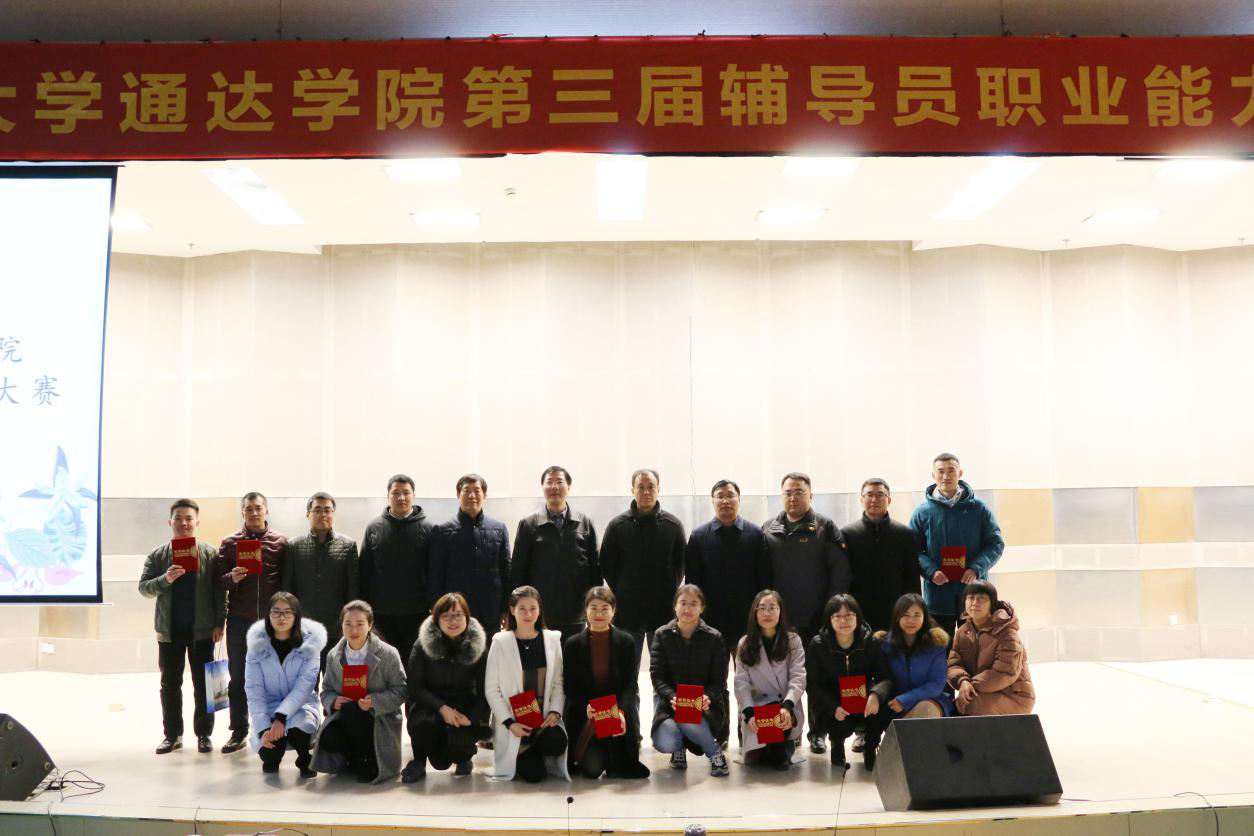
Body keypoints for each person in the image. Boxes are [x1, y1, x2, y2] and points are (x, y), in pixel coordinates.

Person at [762, 472, 850, 754]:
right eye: (788, 492)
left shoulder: (825, 527)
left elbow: (840, 573)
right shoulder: (768, 528)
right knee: (780, 676)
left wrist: (829, 613)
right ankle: (787, 730)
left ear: (811, 495)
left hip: (816, 619)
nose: (793, 497)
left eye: (799, 492)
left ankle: (818, 732)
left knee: (815, 677)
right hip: (779, 621)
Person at [138, 499, 225, 755]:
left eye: (189, 518)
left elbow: (219, 592)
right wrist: (166, 578)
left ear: (197, 522)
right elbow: (144, 588)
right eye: (178, 518)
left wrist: (220, 622)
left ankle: (204, 735)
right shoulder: (158, 555)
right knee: (170, 685)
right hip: (169, 631)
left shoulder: (210, 553)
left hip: (202, 631)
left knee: (205, 685)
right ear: (170, 522)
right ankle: (173, 735)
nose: (184, 523)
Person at [215, 491, 288, 754]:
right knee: (238, 677)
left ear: (266, 510)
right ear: (242, 512)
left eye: (258, 508)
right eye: (248, 509)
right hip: (239, 621)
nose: (254, 513)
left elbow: (287, 582)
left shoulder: (281, 542)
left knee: (274, 677)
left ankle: (273, 729)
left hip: (272, 623)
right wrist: (231, 578)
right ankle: (238, 731)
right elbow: (217, 582)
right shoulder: (229, 543)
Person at [909, 453, 1005, 642]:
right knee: (939, 648)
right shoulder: (922, 511)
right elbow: (912, 549)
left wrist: (975, 568)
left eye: (951, 471)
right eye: (941, 471)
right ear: (933, 475)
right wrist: (930, 571)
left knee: (976, 647)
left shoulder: (979, 508)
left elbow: (995, 543)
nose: (946, 476)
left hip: (974, 595)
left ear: (960, 473)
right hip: (938, 595)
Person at [312, 600, 408, 783]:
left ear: (370, 625)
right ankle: (355, 758)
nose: (353, 630)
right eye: (348, 624)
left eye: (360, 624)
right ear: (341, 625)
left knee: (353, 711)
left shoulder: (388, 653)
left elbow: (401, 689)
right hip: (346, 716)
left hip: (379, 718)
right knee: (329, 737)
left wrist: (375, 701)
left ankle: (368, 760)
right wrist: (334, 701)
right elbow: (326, 690)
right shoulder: (334, 655)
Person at [600, 468, 686, 666]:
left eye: (651, 487)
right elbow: (606, 565)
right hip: (627, 612)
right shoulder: (617, 525)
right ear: (632, 490)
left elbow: (680, 565)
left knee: (664, 669)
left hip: (663, 611)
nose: (646, 491)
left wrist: (668, 589)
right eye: (640, 487)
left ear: (658, 489)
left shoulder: (673, 525)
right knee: (626, 669)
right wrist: (622, 590)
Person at [484, 586, 571, 782]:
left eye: (533, 608)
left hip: (543, 718)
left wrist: (555, 712)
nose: (528, 614)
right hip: (515, 722)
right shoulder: (500, 642)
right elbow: (491, 689)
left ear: (539, 610)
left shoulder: (552, 640)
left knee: (557, 742)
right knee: (534, 775)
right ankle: (524, 751)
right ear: (512, 610)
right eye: (522, 609)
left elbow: (559, 682)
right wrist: (509, 723)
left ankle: (538, 747)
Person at [563, 586, 650, 779]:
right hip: (588, 718)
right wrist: (586, 707)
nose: (599, 614)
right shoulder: (573, 644)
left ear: (613, 610)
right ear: (585, 610)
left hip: (617, 718)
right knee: (591, 770)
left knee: (620, 767)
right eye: (593, 608)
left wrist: (620, 711)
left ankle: (615, 757)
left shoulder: (626, 641)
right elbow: (570, 686)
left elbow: (630, 684)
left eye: (605, 608)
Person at [401, 592, 489, 782]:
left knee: (454, 751)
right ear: (436, 619)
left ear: (467, 617)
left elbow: (486, 691)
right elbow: (415, 687)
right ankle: (418, 761)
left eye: (458, 615)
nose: (453, 621)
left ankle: (463, 758)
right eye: (446, 616)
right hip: (429, 707)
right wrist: (442, 707)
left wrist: (471, 718)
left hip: (463, 707)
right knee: (425, 726)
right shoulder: (422, 644)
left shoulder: (478, 646)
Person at [863, 593, 953, 771]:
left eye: (917, 615)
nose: (911, 620)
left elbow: (936, 684)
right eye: (906, 615)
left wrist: (905, 700)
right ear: (897, 616)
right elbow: (878, 677)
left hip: (929, 699)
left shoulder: (936, 645)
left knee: (925, 710)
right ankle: (878, 749)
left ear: (924, 617)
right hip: (892, 701)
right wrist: (876, 695)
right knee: (875, 705)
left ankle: (913, 757)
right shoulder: (884, 644)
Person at [510, 466, 601, 641]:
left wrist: (595, 605)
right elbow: (518, 569)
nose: (554, 487)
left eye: (559, 482)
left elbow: (595, 568)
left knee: (573, 655)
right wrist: (515, 608)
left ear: (569, 486)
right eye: (549, 482)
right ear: (542, 487)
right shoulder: (528, 524)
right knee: (543, 657)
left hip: (576, 611)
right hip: (538, 611)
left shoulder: (584, 522)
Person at [649, 584, 731, 777]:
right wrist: (672, 697)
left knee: (688, 717)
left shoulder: (714, 637)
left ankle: (714, 753)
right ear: (675, 606)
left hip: (705, 707)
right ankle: (679, 748)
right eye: (683, 603)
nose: (687, 608)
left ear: (702, 608)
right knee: (664, 740)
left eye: (693, 604)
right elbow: (657, 676)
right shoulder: (662, 634)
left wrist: (707, 697)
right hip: (671, 705)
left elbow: (719, 680)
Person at [244, 592, 327, 776]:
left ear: (296, 615)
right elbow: (254, 690)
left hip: (301, 705)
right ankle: (274, 755)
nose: (282, 617)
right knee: (269, 753)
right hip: (270, 705)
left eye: (288, 612)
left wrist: (281, 718)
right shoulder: (256, 646)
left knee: (299, 733)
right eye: (276, 612)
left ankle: (304, 756)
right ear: (268, 615)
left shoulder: (310, 644)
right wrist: (264, 729)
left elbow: (304, 687)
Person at [805, 594, 892, 769]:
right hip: (834, 702)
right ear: (829, 619)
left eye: (849, 615)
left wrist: (875, 695)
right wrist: (833, 707)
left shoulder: (871, 642)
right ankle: (836, 743)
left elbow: (886, 677)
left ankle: (870, 747)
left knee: (883, 706)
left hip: (864, 699)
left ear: (858, 617)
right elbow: (812, 684)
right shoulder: (818, 645)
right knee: (830, 715)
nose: (843, 621)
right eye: (837, 616)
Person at [685, 479, 770, 655]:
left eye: (731, 495)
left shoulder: (755, 534)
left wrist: (762, 613)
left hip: (747, 619)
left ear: (739, 499)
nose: (725, 501)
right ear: (712, 500)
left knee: (748, 668)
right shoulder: (698, 536)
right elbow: (692, 582)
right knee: (713, 670)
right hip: (711, 620)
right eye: (720, 496)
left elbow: (764, 579)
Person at [281, 491, 358, 671]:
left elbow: (353, 590)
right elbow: (287, 590)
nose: (323, 514)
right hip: (304, 630)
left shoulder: (348, 546)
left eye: (327, 510)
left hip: (337, 628)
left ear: (333, 513)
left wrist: (351, 624)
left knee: (337, 681)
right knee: (305, 682)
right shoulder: (294, 546)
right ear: (308, 514)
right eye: (317, 510)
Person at [359, 474, 433, 659]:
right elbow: (364, 570)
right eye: (396, 493)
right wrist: (363, 607)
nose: (401, 497)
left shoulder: (428, 528)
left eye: (406, 493)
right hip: (380, 612)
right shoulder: (374, 527)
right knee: (382, 661)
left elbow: (434, 571)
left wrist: (433, 605)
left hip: (417, 612)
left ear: (413, 495)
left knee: (413, 661)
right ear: (388, 496)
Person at [427, 474, 511, 633]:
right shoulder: (442, 530)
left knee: (489, 648)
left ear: (484, 495)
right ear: (458, 494)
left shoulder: (499, 528)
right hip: (455, 611)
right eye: (466, 491)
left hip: (491, 610)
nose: (472, 495)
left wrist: (506, 609)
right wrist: (437, 609)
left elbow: (506, 572)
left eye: (477, 491)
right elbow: (435, 575)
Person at [734, 590, 807, 771]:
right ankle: (775, 745)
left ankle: (782, 745)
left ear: (780, 611)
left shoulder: (793, 641)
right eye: (762, 608)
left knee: (778, 762)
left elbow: (798, 677)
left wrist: (787, 707)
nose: (767, 613)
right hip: (758, 709)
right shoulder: (745, 643)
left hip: (785, 706)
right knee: (754, 761)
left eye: (772, 608)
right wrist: (749, 714)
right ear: (755, 613)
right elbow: (741, 683)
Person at [842, 478, 922, 632]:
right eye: (869, 495)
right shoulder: (848, 534)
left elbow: (912, 576)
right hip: (858, 607)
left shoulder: (904, 534)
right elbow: (843, 576)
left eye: (880, 495)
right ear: (861, 499)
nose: (874, 500)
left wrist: (915, 609)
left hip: (896, 608)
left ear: (889, 500)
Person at [947, 580, 1035, 716]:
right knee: (948, 708)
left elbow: (1004, 672)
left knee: (969, 705)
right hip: (979, 692)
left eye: (981, 599)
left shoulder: (1006, 633)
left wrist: (971, 685)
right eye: (971, 598)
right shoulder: (962, 632)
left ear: (992, 604)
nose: (975, 603)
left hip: (1014, 696)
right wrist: (962, 681)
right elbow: (953, 664)